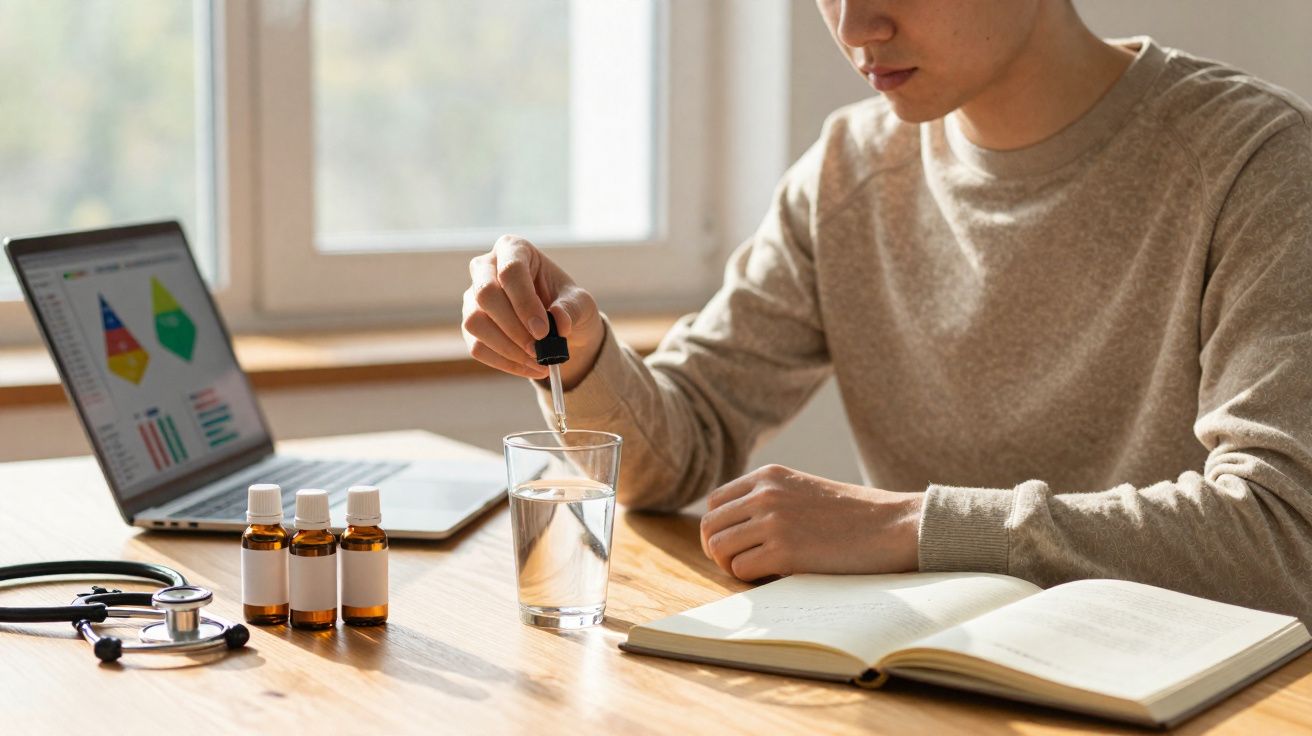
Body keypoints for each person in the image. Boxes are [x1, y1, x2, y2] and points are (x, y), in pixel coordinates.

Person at [462, 1, 1312, 619]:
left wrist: (911, 524)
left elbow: (1285, 538)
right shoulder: (848, 170)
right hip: (926, 688)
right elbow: (677, 452)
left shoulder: (1256, 164)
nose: (854, 25)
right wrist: (579, 353)